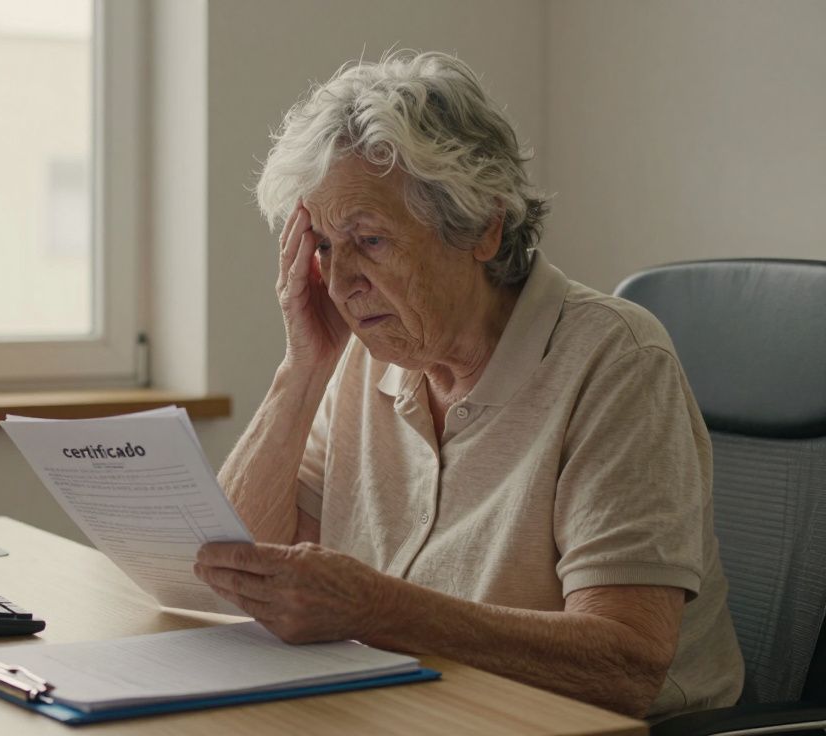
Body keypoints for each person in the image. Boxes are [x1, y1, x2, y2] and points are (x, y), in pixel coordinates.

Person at [193, 50, 743, 720]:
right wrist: (302, 368)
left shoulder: (616, 361)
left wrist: (378, 609)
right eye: (324, 247)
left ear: (482, 226)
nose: (338, 285)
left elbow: (626, 662)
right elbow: (229, 579)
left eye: (368, 241)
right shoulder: (369, 357)